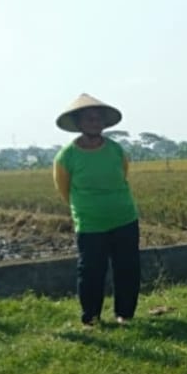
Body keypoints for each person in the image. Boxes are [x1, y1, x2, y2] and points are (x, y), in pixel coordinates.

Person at [53, 94, 141, 327]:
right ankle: (91, 318)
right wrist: (86, 208)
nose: (94, 122)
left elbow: (122, 175)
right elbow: (64, 189)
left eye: (98, 118)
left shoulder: (115, 150)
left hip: (124, 218)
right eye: (89, 118)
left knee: (128, 269)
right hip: (90, 224)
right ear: (79, 124)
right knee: (91, 272)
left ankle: (125, 315)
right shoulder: (66, 156)